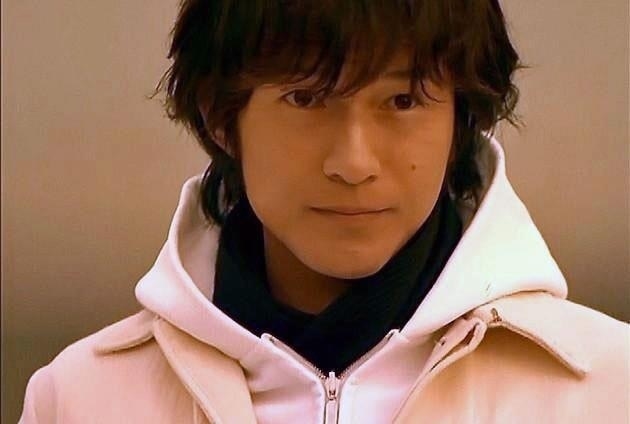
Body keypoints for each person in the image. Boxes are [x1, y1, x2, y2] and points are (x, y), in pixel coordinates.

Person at [19, 1, 629, 423]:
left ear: (460, 118)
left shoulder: (609, 388)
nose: (353, 162)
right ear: (220, 115)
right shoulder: (79, 399)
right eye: (306, 98)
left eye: (402, 99)